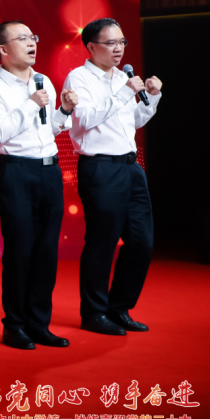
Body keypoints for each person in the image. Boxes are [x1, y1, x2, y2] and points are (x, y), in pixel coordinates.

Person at [0, 22, 78, 350]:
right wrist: (32, 103)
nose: (31, 43)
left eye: (32, 37)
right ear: (3, 49)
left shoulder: (43, 80)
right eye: (22, 38)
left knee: (47, 251)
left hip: (49, 171)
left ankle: (39, 323)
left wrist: (63, 110)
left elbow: (51, 130)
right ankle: (15, 325)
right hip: (16, 172)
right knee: (20, 250)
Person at [62, 18, 161, 336]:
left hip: (131, 167)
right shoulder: (78, 77)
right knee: (102, 242)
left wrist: (152, 96)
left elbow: (134, 120)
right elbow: (85, 119)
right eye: (111, 43)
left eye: (122, 42)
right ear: (91, 47)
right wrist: (123, 93)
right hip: (100, 167)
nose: (119, 49)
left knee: (142, 242)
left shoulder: (123, 77)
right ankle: (93, 313)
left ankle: (119, 308)